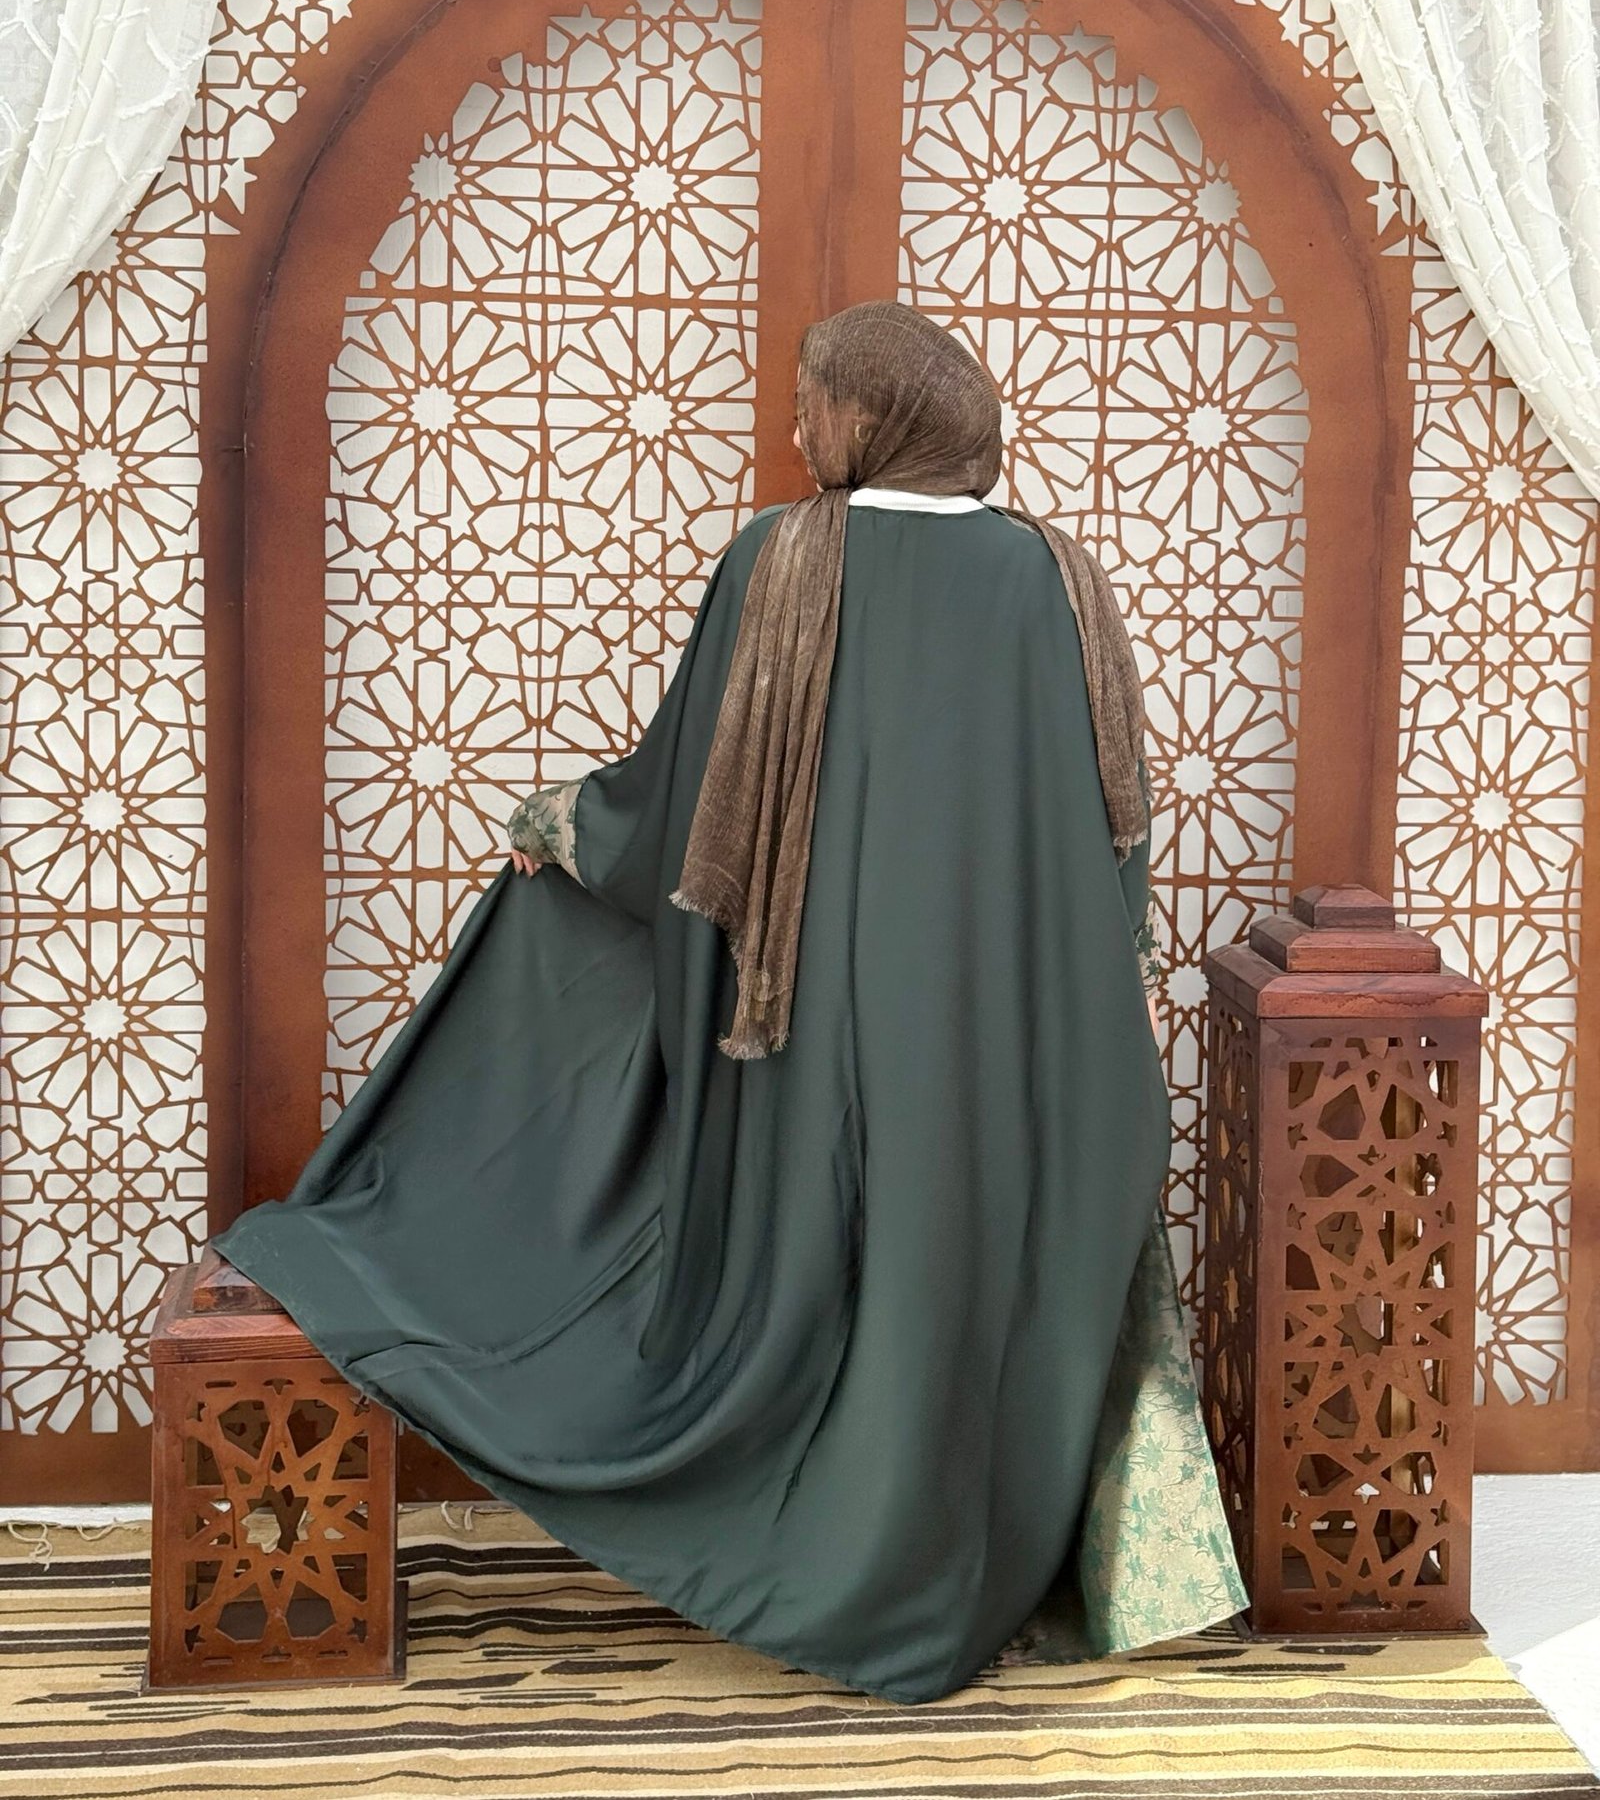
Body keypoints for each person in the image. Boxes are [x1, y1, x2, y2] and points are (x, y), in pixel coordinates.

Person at [213, 299, 1243, 1703]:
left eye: (818, 401)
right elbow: (1111, 837)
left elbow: (682, 807)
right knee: (960, 1288)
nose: (799, 427)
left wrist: (562, 823)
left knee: (832, 1255)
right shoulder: (1057, 578)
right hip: (1024, 1048)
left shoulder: (784, 557)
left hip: (808, 1035)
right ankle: (950, 1577)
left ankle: (818, 1552)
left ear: (876, 416)